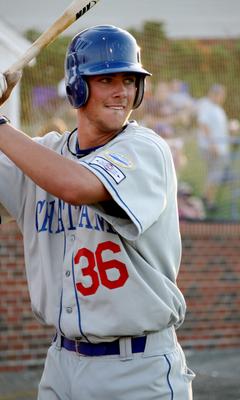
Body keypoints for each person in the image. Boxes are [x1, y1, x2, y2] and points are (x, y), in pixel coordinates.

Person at [0, 25, 194, 399]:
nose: (122, 90)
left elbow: (75, 186)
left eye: (130, 79)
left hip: (137, 369)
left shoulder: (145, 149)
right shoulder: (45, 154)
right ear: (77, 87)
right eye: (107, 79)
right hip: (61, 363)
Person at [196, 84, 231, 211]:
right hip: (212, 148)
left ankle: (206, 198)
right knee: (214, 174)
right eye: (219, 95)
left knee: (214, 174)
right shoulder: (206, 105)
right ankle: (208, 201)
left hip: (221, 148)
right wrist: (212, 144)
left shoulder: (218, 108)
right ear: (213, 94)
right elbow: (203, 124)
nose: (221, 98)